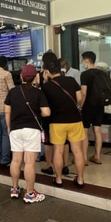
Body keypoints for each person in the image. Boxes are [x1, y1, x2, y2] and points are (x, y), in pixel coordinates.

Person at [5, 64, 50, 203]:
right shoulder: (38, 92)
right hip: (32, 130)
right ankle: (30, 193)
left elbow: (7, 111)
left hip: (15, 129)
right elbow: (47, 112)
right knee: (29, 163)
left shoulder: (12, 92)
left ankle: (14, 188)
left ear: (21, 76)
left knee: (16, 160)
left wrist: (9, 127)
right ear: (35, 76)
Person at [42, 52, 86, 188]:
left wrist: (44, 82)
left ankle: (59, 179)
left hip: (57, 122)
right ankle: (80, 179)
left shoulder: (47, 86)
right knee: (77, 151)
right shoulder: (71, 80)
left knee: (58, 150)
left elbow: (44, 105)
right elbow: (79, 98)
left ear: (47, 72)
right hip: (75, 120)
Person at [80, 51, 111, 165]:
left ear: (86, 61)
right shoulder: (103, 73)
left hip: (88, 105)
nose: (82, 62)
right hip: (100, 105)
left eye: (83, 60)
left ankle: (83, 158)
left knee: (84, 131)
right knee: (97, 130)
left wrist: (80, 106)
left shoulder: (85, 74)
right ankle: (97, 156)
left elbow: (83, 93)